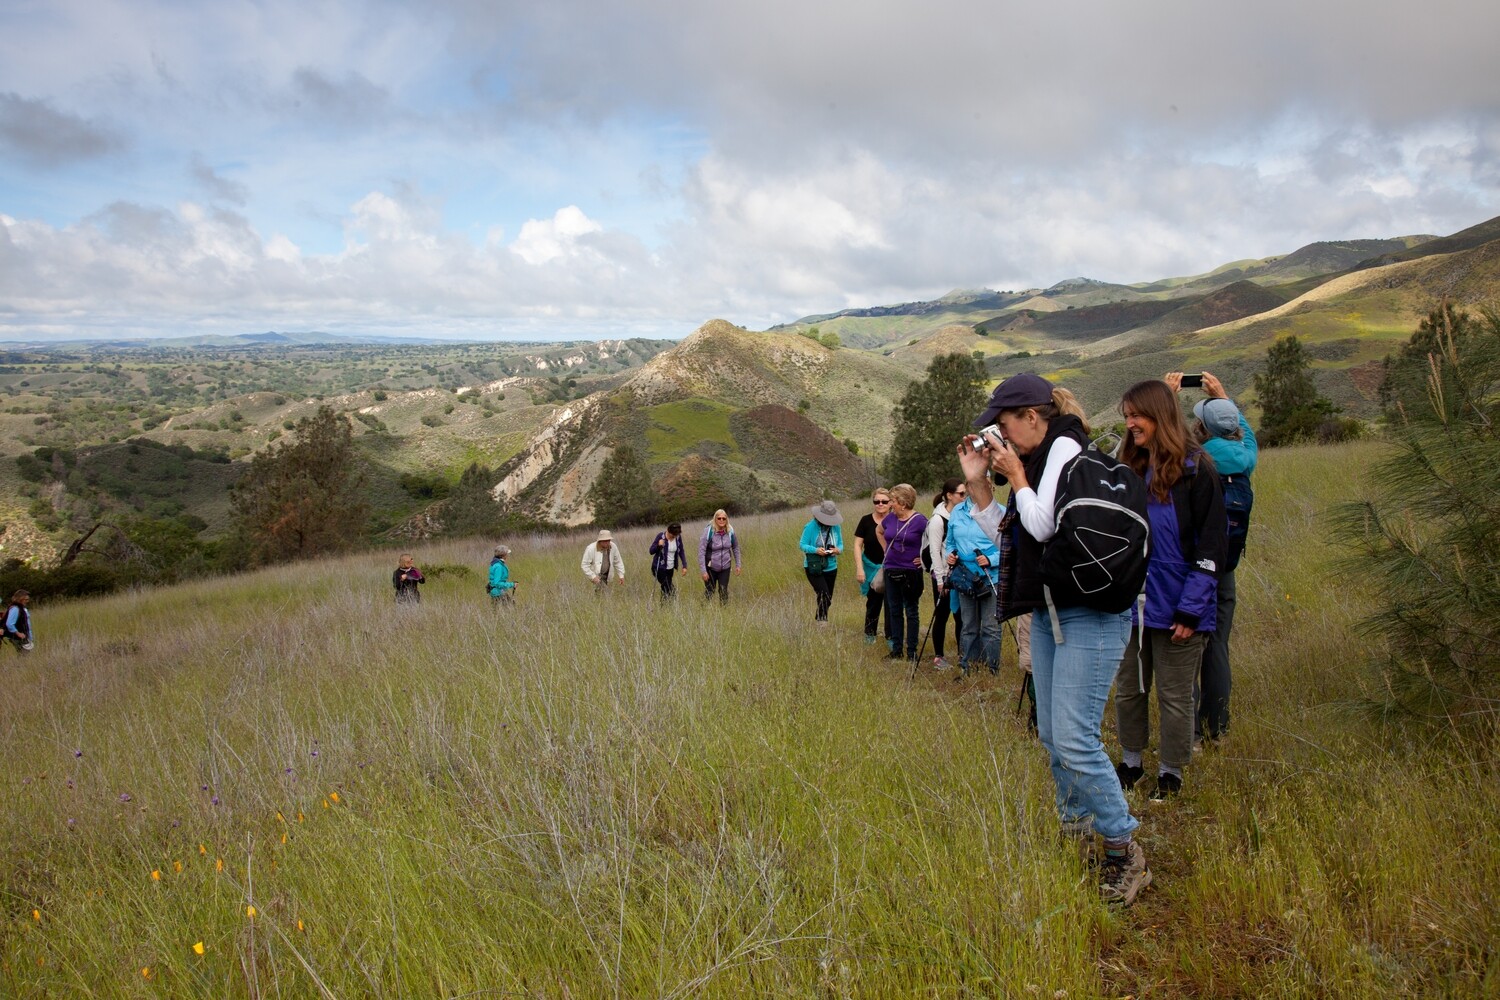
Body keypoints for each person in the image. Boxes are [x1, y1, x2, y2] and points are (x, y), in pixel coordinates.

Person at [958, 371, 1150, 906]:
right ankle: (1075, 832)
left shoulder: (1065, 451)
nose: (998, 437)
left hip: (1090, 612)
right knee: (1051, 735)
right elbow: (1012, 527)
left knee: (1074, 737)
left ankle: (1122, 848)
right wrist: (979, 479)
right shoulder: (1040, 462)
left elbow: (1041, 527)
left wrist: (1015, 472)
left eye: (1002, 425)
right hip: (1049, 611)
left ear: (1032, 417)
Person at [1113, 378, 1228, 802]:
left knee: (1175, 696)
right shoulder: (1127, 468)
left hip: (1180, 605)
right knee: (1129, 687)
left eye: (1136, 416)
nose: (1130, 425)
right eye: (1126, 417)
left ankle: (1170, 773)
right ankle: (1131, 763)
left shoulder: (1197, 468)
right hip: (1130, 605)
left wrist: (1191, 610)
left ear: (1160, 415)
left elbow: (1212, 545)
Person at [1173, 371, 1257, 747]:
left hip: (1191, 569)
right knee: (1218, 646)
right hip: (1226, 568)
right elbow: (1249, 436)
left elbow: (1167, 442)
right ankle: (1216, 728)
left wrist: (1166, 396)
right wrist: (1227, 401)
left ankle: (1187, 732)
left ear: (1201, 427)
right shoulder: (1244, 460)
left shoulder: (1194, 458)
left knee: (1185, 647)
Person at [943, 483, 1002, 675]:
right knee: (968, 625)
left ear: (991, 487)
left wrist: (991, 559)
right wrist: (950, 555)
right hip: (964, 576)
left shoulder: (1000, 511)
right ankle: (968, 666)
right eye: (975, 485)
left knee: (991, 626)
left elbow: (1010, 547)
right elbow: (950, 542)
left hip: (990, 576)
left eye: (985, 485)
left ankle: (990, 668)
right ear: (968, 487)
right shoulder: (958, 511)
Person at [876, 484, 928, 662]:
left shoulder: (920, 521)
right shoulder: (890, 519)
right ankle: (896, 650)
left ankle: (912, 651)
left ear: (903, 503)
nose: (890, 504)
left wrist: (923, 558)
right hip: (891, 569)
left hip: (911, 571)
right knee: (894, 609)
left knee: (911, 610)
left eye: (893, 501)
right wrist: (886, 551)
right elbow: (879, 531)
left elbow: (934, 540)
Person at [925, 479, 967, 670]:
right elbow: (934, 551)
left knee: (960, 616)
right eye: (961, 494)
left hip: (961, 574)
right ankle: (938, 657)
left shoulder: (962, 515)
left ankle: (962, 655)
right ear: (949, 495)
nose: (964, 497)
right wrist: (941, 580)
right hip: (943, 575)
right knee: (941, 615)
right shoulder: (937, 520)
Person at [852, 490, 891, 645]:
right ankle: (869, 636)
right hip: (871, 567)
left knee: (891, 604)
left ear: (890, 503)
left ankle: (891, 638)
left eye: (884, 501)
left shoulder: (895, 520)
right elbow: (857, 545)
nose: (880, 504)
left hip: (892, 567)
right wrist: (859, 568)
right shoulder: (865, 521)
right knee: (873, 603)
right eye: (877, 501)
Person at [799, 500, 843, 624]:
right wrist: (815, 550)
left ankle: (821, 618)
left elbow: (841, 544)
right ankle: (822, 622)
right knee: (823, 593)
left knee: (828, 597)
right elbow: (802, 545)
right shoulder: (810, 527)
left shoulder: (836, 527)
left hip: (831, 566)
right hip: (814, 567)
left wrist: (837, 550)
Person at [698, 510, 742, 602]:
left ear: (726, 520)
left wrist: (738, 565)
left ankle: (724, 612)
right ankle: (704, 611)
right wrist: (703, 571)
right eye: (719, 518)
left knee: (723, 591)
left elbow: (736, 548)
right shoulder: (708, 531)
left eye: (724, 518)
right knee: (709, 592)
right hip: (711, 567)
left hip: (725, 566)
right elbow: (701, 551)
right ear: (715, 519)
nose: (721, 520)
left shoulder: (730, 531)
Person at [649, 522, 689, 598]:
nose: (673, 537)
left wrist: (684, 565)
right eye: (672, 535)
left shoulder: (677, 537)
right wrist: (658, 546)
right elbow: (651, 551)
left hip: (670, 569)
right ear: (668, 530)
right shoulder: (660, 536)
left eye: (675, 535)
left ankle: (663, 607)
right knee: (671, 590)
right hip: (659, 568)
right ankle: (669, 605)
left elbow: (681, 551)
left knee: (665, 589)